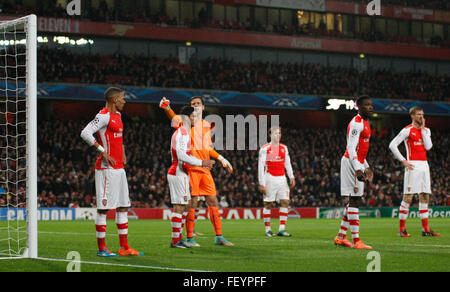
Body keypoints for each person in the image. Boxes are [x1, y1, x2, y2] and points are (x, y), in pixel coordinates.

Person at [160, 96, 234, 247]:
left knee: (213, 200)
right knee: (192, 203)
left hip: (205, 169)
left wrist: (221, 158)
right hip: (191, 168)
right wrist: (167, 108)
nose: (195, 106)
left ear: (203, 106)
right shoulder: (186, 122)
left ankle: (219, 236)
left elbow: (208, 147)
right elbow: (174, 117)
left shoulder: (206, 125)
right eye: (192, 104)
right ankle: (189, 238)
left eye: (198, 104)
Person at [80, 87, 144, 257]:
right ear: (114, 100)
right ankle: (102, 249)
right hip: (106, 169)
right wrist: (103, 151)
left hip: (119, 168)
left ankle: (124, 247)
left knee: (123, 207)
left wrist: (122, 152)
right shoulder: (103, 116)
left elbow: (119, 137)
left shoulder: (119, 116)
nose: (125, 101)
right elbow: (85, 133)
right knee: (103, 209)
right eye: (122, 98)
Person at [167, 106, 215, 248]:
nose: (196, 119)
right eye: (194, 116)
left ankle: (178, 239)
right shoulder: (182, 133)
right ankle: (175, 241)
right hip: (177, 171)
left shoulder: (186, 133)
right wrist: (201, 163)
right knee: (179, 207)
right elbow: (181, 155)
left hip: (183, 172)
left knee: (185, 206)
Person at [388, 106, 440, 237]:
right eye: (418, 115)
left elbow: (428, 147)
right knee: (408, 197)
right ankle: (402, 230)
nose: (421, 117)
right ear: (412, 116)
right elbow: (392, 145)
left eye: (422, 114)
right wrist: (403, 160)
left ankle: (426, 229)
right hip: (413, 165)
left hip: (424, 166)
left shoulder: (426, 130)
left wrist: (423, 129)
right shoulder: (407, 130)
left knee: (424, 196)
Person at [334, 95, 374, 249]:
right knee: (355, 200)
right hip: (351, 162)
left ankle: (341, 237)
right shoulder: (357, 123)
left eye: (371, 105)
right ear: (359, 107)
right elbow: (351, 147)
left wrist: (366, 166)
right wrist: (358, 168)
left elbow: (361, 150)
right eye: (366, 105)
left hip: (358, 162)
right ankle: (356, 241)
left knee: (354, 200)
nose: (370, 107)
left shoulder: (365, 123)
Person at [258, 126, 295, 237]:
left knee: (285, 202)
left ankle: (282, 229)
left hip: (282, 179)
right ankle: (268, 229)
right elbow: (260, 166)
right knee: (268, 204)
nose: (277, 135)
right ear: (270, 135)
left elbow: (287, 163)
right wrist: (262, 183)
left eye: (279, 133)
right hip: (269, 178)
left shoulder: (284, 148)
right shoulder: (265, 148)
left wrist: (291, 176)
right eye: (275, 133)